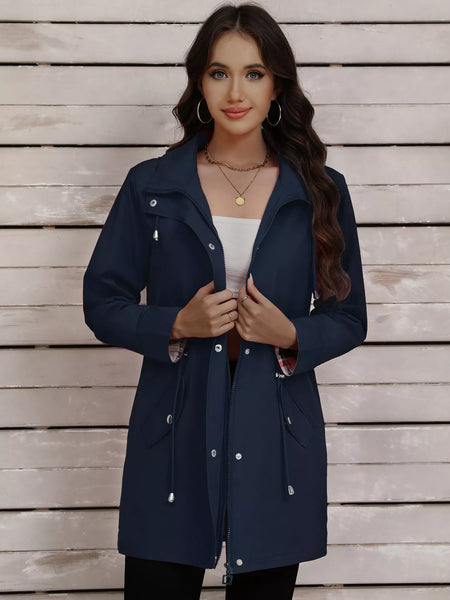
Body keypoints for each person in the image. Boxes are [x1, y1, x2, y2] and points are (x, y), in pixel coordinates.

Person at [82, 3, 367, 599]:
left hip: (276, 431)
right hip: (175, 423)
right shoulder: (152, 185)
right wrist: (174, 323)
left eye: (254, 73)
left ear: (277, 85)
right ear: (199, 82)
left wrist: (291, 334)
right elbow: (102, 300)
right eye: (219, 73)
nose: (236, 92)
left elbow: (349, 317)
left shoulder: (320, 190)